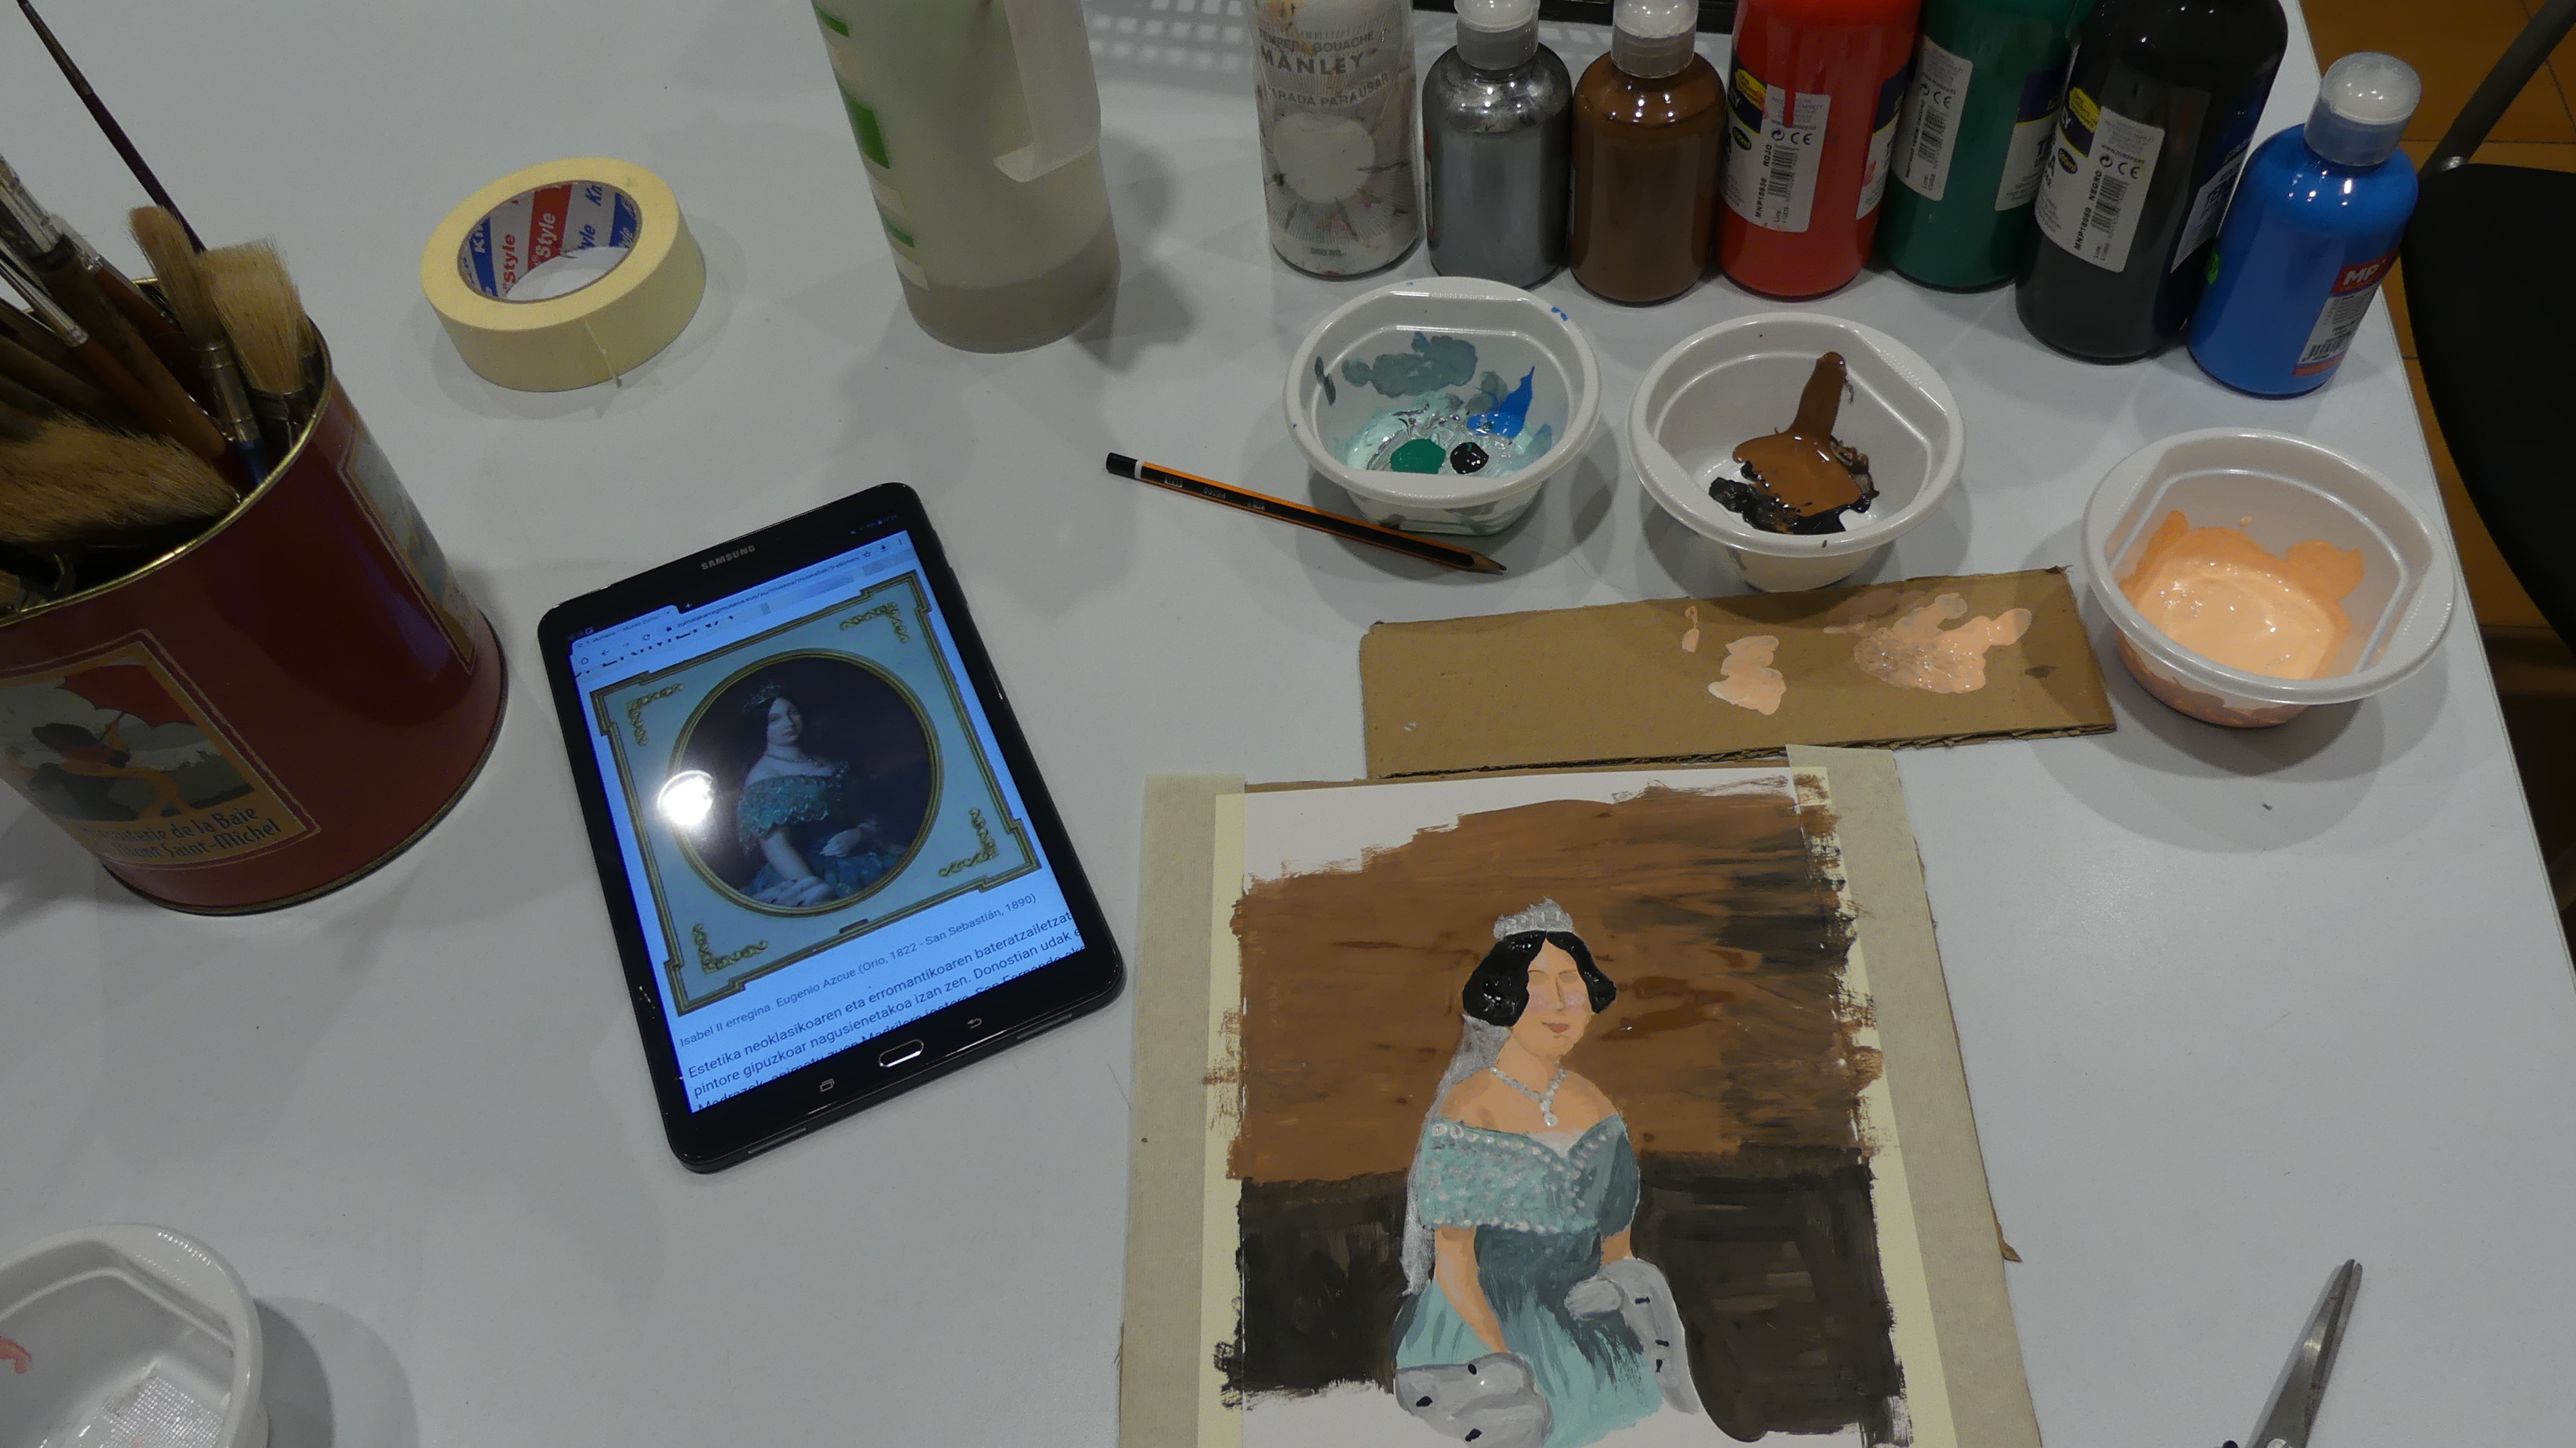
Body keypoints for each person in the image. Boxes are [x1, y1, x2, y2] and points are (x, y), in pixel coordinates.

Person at [1391, 900, 1671, 1448]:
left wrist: (1614, 1294)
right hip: (1481, 1323)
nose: (1561, 1002)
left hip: (1585, 1328)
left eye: (1572, 982)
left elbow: (1617, 1250)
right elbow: (1454, 1264)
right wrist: (1506, 1361)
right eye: (1538, 983)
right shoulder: (1469, 1109)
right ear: (1506, 997)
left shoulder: (1600, 1111)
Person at [732, 681, 898, 908]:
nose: (789, 723)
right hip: (809, 871)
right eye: (775, 720)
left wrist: (859, 834)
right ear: (762, 727)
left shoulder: (823, 760)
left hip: (859, 854)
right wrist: (815, 890)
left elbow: (860, 811)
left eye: (793, 713)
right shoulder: (764, 776)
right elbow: (777, 848)